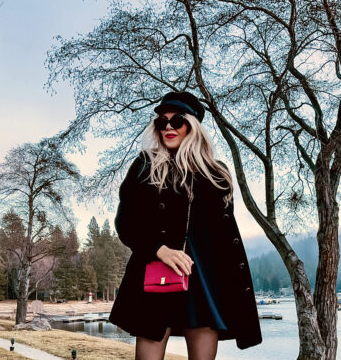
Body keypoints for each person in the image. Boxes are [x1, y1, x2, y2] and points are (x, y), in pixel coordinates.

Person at [109, 91, 262, 360]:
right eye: (161, 122)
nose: (168, 126)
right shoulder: (145, 166)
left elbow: (225, 238)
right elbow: (125, 222)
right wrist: (159, 249)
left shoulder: (217, 174)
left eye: (177, 120)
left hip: (204, 281)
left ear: (192, 126)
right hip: (156, 276)